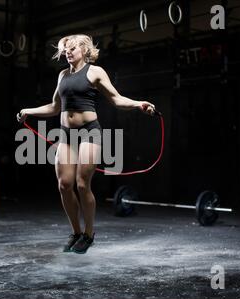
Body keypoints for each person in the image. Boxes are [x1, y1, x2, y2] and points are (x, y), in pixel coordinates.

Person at [17, 34, 155, 254]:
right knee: (64, 185)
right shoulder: (62, 75)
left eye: (72, 48)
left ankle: (89, 234)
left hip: (89, 131)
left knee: (82, 184)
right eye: (65, 50)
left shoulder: (95, 71)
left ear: (84, 49)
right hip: (66, 134)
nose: (67, 52)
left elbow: (117, 99)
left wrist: (139, 104)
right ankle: (76, 232)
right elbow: (54, 107)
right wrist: (28, 112)